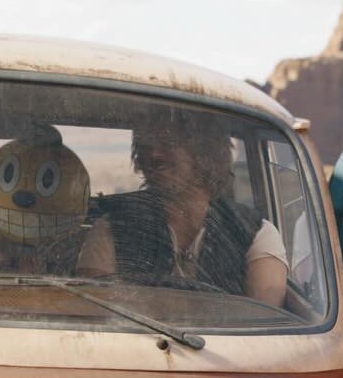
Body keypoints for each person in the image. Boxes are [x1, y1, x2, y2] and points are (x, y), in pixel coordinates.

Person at [75, 109, 288, 306]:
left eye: (168, 141)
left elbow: (263, 321)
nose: (154, 154)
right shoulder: (113, 225)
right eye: (145, 144)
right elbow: (96, 309)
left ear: (205, 152)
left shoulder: (256, 234)